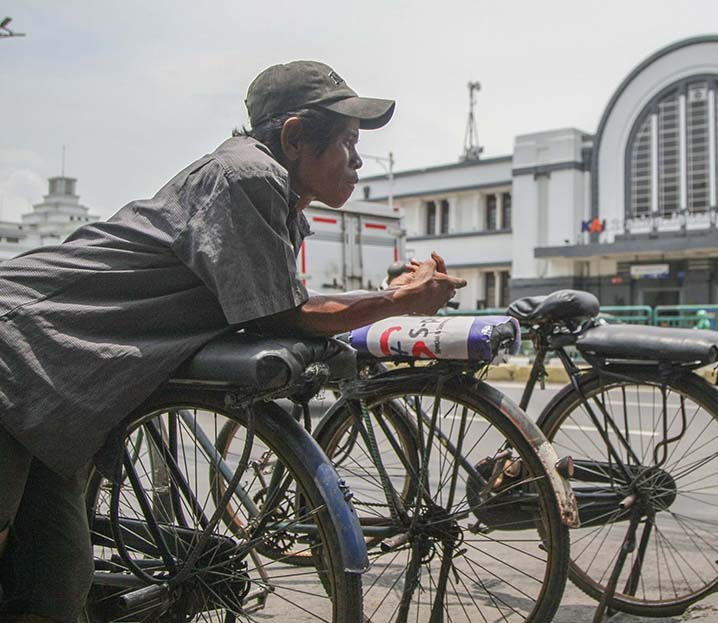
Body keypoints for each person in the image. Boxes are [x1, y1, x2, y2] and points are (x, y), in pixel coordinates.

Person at [0, 60, 466, 623]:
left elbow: (277, 306)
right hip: (16, 355)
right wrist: (399, 302)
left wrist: (390, 297)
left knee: (52, 583)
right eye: (347, 141)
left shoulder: (273, 193)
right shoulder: (247, 175)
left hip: (49, 394)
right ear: (294, 137)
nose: (358, 160)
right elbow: (285, 316)